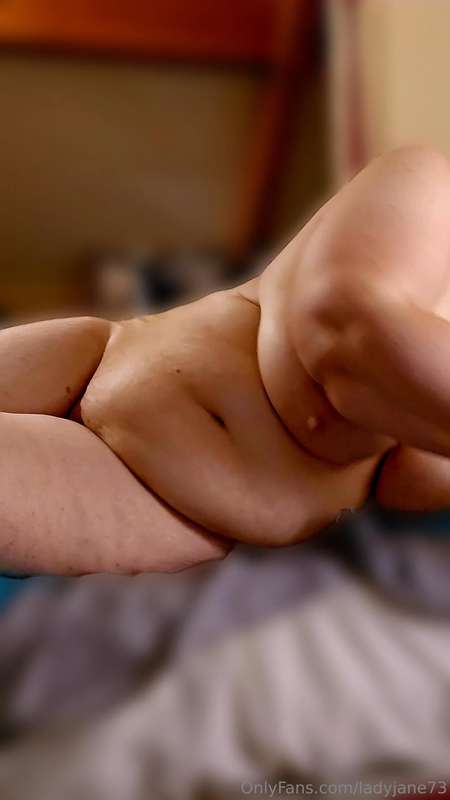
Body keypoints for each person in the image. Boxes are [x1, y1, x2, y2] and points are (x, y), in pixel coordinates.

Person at [3, 145, 450, 576]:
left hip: (153, 493)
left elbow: (404, 487)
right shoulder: (427, 186)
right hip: (99, 356)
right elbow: (346, 333)